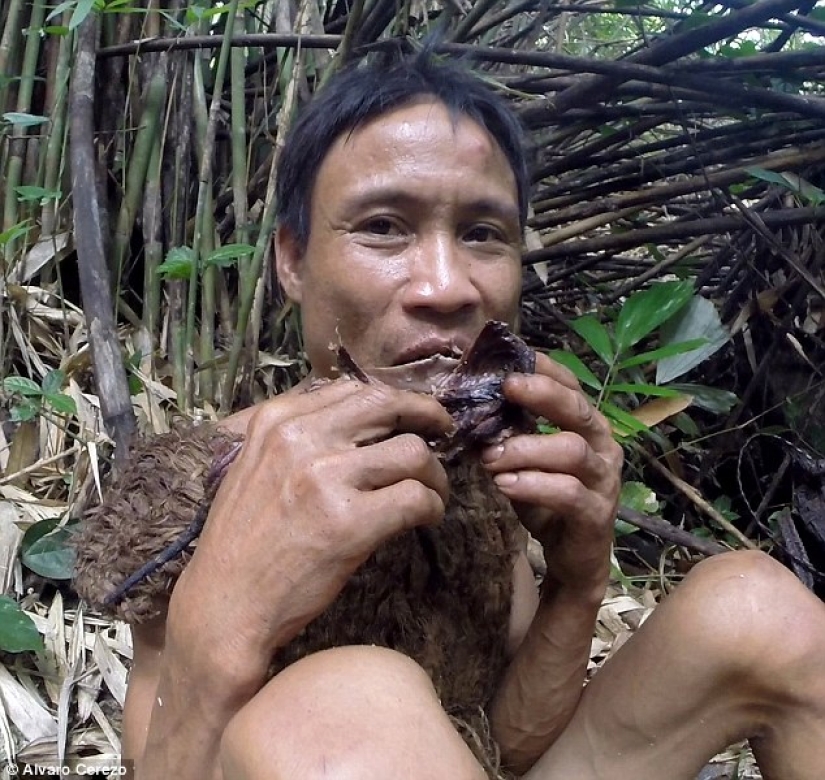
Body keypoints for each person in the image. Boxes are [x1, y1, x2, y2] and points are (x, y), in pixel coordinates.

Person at [121, 50, 825, 780]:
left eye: (483, 234)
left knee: (756, 607)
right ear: (293, 261)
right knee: (345, 705)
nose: (445, 286)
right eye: (384, 226)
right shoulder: (195, 482)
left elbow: (508, 746)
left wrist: (575, 582)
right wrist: (218, 623)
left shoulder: (483, 460)